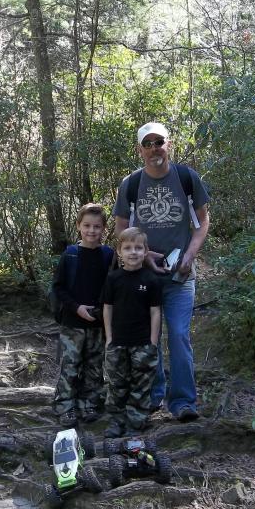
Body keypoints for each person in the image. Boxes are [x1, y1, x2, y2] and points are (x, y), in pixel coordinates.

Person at [112, 122, 210, 422]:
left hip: (180, 278)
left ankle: (183, 402)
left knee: (179, 336)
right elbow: (120, 230)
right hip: (144, 277)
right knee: (147, 337)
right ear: (140, 150)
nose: (154, 148)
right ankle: (153, 397)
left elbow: (203, 221)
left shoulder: (186, 177)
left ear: (169, 144)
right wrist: (146, 256)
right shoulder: (130, 184)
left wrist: (190, 255)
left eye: (159, 142)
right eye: (148, 143)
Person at [52, 203, 115, 427]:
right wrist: (77, 307)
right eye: (87, 225)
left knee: (94, 364)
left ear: (104, 228)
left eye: (97, 226)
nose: (91, 231)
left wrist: (101, 311)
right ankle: (65, 405)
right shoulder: (70, 254)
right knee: (70, 364)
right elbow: (58, 288)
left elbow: (112, 287)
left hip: (98, 323)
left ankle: (91, 403)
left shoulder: (108, 255)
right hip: (72, 322)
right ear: (78, 226)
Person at [101, 227, 162, 438]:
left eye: (138, 248)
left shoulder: (151, 279)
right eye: (128, 248)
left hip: (143, 343)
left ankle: (135, 421)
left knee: (141, 385)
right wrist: (109, 337)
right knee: (117, 385)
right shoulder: (113, 278)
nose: (133, 252)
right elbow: (107, 308)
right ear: (120, 251)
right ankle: (116, 421)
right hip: (117, 342)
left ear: (146, 252)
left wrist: (153, 342)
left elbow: (155, 312)